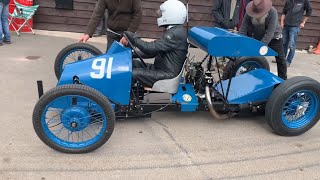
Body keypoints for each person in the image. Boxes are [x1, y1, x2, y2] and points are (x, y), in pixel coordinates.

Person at [120, 0, 188, 87]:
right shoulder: (174, 30)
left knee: (131, 74)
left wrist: (133, 38)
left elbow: (150, 48)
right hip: (160, 69)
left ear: (171, 14)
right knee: (129, 64)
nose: (160, 15)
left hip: (167, 74)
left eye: (162, 13)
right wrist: (130, 53)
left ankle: (120, 100)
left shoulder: (175, 34)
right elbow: (152, 52)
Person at [239, 0, 287, 80]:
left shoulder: (272, 11)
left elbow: (270, 33)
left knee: (281, 59)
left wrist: (259, 49)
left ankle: (283, 80)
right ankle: (248, 75)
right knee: (249, 56)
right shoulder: (249, 12)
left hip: (274, 37)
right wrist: (243, 45)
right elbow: (242, 30)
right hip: (257, 36)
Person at [278, 0, 312, 67]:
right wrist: (282, 23)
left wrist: (303, 22)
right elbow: (283, 12)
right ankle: (282, 60)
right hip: (286, 25)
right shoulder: (288, 1)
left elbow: (309, 11)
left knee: (292, 45)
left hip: (295, 27)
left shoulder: (304, 1)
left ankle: (288, 61)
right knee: (284, 43)